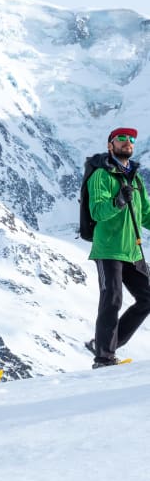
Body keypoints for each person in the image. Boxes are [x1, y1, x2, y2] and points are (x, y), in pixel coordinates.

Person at [86, 127, 150, 368]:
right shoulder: (101, 176)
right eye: (121, 138)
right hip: (108, 250)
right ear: (110, 145)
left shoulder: (135, 178)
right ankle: (104, 357)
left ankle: (105, 344)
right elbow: (97, 211)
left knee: (147, 298)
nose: (127, 142)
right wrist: (118, 201)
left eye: (131, 139)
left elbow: (146, 214)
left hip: (132, 251)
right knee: (112, 300)